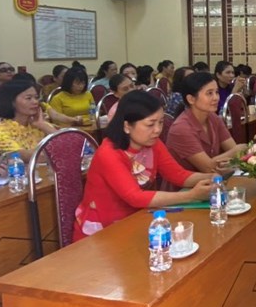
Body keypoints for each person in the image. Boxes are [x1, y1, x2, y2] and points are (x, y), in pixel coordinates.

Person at [72, 92, 214, 242]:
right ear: (127, 126)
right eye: (150, 124)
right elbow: (136, 197)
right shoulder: (108, 153)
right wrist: (191, 196)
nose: (157, 130)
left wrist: (213, 177)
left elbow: (177, 175)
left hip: (137, 220)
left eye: (160, 122)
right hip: (102, 232)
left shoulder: (153, 143)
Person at [166, 72, 246, 174]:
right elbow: (208, 168)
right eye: (209, 93)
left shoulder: (213, 118)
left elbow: (236, 154)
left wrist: (234, 155)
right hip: (187, 183)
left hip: (214, 179)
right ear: (191, 99)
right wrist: (235, 151)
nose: (216, 98)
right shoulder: (181, 129)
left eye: (216, 92)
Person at [0, 79, 58, 158]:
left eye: (36, 97)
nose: (35, 102)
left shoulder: (38, 125)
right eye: (28, 98)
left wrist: (42, 125)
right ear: (11, 102)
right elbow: (29, 157)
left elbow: (66, 143)